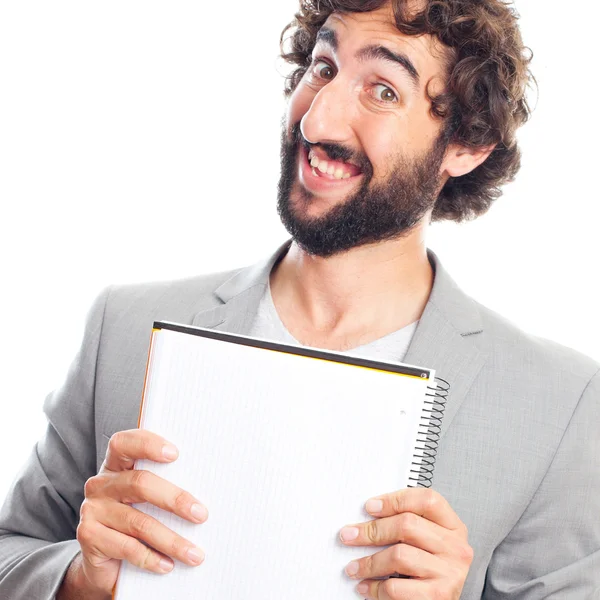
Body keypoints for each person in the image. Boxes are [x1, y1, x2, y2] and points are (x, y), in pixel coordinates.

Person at [1, 0, 599, 598]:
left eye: (384, 91)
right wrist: (79, 580)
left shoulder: (559, 405)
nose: (320, 119)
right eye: (324, 67)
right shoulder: (124, 328)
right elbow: (12, 550)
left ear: (466, 146)